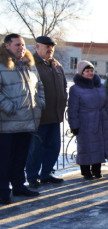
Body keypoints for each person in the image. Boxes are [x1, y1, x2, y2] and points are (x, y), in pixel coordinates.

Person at [0, 34, 45, 204]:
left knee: (20, 158)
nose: (21, 48)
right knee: (4, 160)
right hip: (7, 122)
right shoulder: (1, 65)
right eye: (17, 44)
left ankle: (19, 186)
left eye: (23, 44)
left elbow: (39, 86)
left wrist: (40, 103)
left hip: (27, 121)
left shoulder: (29, 65)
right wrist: (9, 107)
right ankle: (3, 191)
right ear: (7, 46)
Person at [26, 36, 67, 188]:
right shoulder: (31, 65)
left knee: (54, 147)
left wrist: (63, 102)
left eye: (52, 47)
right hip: (39, 117)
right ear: (37, 47)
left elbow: (64, 87)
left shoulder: (57, 65)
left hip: (55, 116)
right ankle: (32, 177)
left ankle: (46, 174)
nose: (50, 49)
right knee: (36, 149)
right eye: (47, 46)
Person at [67, 61, 108, 180]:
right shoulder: (75, 89)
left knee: (99, 146)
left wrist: (107, 119)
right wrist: (74, 125)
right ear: (81, 73)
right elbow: (72, 109)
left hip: (100, 121)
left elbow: (105, 104)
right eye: (87, 71)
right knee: (86, 147)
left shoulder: (99, 86)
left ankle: (97, 170)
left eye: (91, 70)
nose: (90, 73)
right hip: (85, 122)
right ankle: (86, 171)